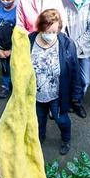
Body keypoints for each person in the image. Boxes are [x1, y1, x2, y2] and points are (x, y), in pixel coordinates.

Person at [29, 9, 82, 156]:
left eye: (54, 31)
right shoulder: (30, 40)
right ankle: (40, 138)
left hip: (58, 94)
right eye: (47, 31)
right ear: (40, 27)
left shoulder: (66, 44)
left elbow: (75, 71)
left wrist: (76, 95)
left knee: (61, 120)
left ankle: (66, 139)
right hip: (36, 93)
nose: (51, 35)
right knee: (38, 120)